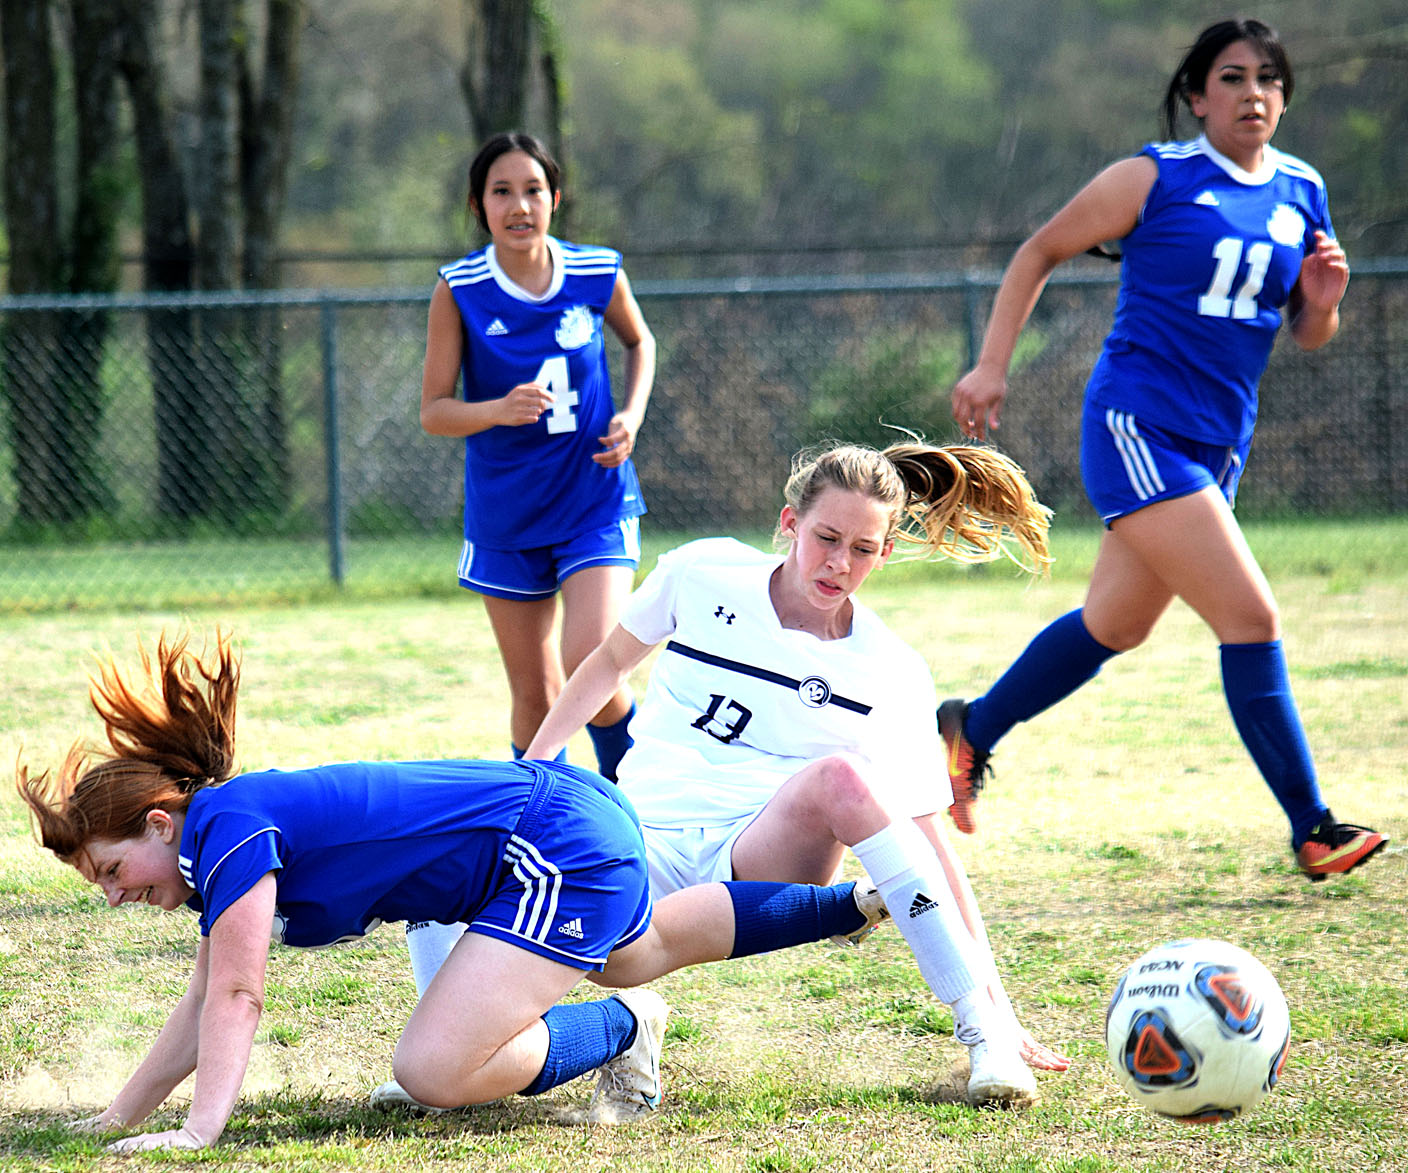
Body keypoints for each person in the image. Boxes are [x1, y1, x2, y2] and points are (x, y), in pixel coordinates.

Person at [16, 630, 902, 1152]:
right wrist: (118, 1116)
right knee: (640, 949)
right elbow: (206, 995)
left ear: (160, 823)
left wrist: (201, 1131)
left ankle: (626, 1025)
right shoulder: (222, 830)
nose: (113, 894)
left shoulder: (224, 832)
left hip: (548, 842)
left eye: (111, 869)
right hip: (556, 822)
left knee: (432, 1070)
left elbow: (239, 996)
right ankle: (853, 904)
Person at [491, 439, 1070, 1107]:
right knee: (479, 854)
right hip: (639, 837)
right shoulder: (701, 572)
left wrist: (998, 1004)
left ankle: (983, 1037)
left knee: (841, 778)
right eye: (827, 538)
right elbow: (609, 663)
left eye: (863, 548)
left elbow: (929, 841)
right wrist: (535, 768)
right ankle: (589, 1034)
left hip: (762, 858)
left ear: (885, 552)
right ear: (792, 523)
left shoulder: (892, 669)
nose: (840, 563)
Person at [941, 18, 1387, 880]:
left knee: (1116, 625)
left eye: (1268, 78)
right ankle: (1314, 828)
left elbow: (1308, 332)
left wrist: (1325, 302)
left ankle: (971, 728)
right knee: (1251, 619)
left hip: (1220, 443)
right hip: (1137, 426)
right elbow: (1038, 252)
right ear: (1196, 98)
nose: (1253, 93)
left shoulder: (1302, 188)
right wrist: (991, 365)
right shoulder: (1156, 176)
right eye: (1232, 77)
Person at [412, 130, 657, 1021]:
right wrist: (497, 408)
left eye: (533, 189)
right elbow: (435, 410)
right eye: (501, 191)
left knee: (598, 658)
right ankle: (539, 831)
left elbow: (642, 342)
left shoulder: (595, 270)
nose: (519, 205)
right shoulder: (460, 288)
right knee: (537, 691)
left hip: (593, 501)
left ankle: (638, 800)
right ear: (479, 205)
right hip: (507, 520)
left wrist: (631, 415)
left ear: (556, 196)